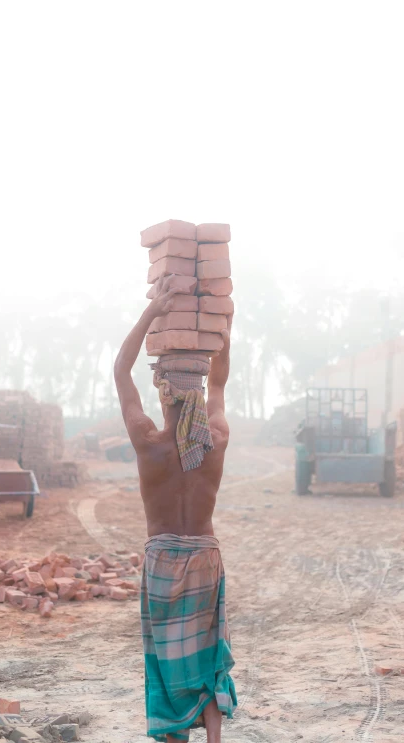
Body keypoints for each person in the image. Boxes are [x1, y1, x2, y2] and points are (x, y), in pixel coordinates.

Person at [114, 275, 237, 743]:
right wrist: (221, 328)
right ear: (198, 393)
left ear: (164, 391)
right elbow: (221, 379)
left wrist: (153, 310)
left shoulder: (150, 443)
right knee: (205, 651)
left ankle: (173, 733)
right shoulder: (218, 440)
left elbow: (120, 371)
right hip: (206, 555)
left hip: (164, 561)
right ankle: (213, 731)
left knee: (166, 658)